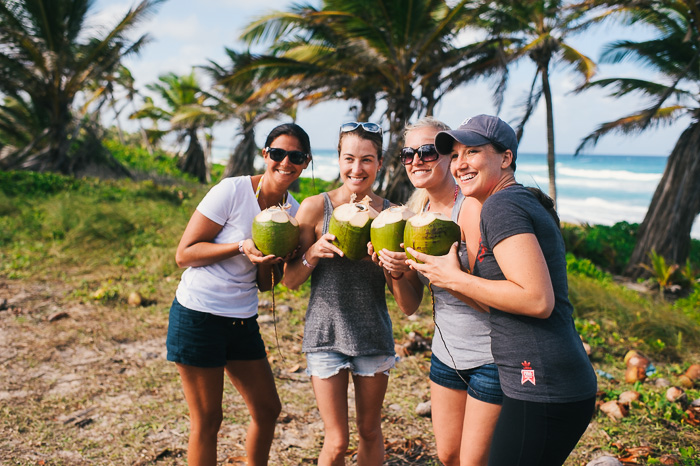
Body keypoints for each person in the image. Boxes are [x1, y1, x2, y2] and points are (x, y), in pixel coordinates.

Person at [406, 114, 597, 466]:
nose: (460, 163)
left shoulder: (501, 205)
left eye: (473, 152)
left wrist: (455, 279)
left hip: (542, 379)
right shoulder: (515, 200)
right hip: (541, 376)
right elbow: (502, 295)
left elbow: (538, 300)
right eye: (456, 154)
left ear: (505, 158)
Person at [166, 123, 312, 466]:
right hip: (198, 314)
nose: (285, 162)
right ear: (265, 155)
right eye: (277, 154)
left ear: (305, 162)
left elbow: (265, 282)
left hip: (241, 319)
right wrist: (240, 247)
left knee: (267, 409)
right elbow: (184, 254)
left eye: (295, 156)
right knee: (208, 420)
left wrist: (268, 259)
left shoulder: (294, 210)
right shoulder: (232, 191)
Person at [372, 117, 502, 466]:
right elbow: (410, 306)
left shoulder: (471, 208)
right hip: (446, 353)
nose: (417, 160)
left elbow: (494, 300)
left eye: (428, 151)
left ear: (448, 156)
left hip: (490, 356)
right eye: (408, 153)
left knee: (474, 462)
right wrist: (394, 270)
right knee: (448, 456)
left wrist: (445, 276)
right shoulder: (414, 216)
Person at [283, 121, 395, 466]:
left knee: (370, 432)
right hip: (325, 334)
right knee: (336, 440)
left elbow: (405, 295)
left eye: (367, 160)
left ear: (379, 164)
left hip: (373, 334)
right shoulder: (317, 207)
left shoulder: (390, 214)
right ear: (338, 160)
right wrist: (313, 253)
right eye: (349, 159)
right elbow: (290, 281)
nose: (356, 168)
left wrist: (392, 264)